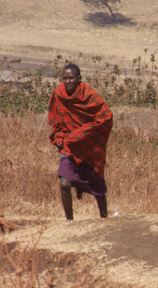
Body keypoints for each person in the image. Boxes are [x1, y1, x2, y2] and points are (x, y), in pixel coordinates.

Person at [48, 63, 113, 220]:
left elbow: (106, 116)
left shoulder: (88, 95)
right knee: (64, 184)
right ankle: (69, 223)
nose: (68, 81)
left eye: (71, 78)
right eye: (65, 78)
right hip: (68, 147)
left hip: (89, 148)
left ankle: (104, 220)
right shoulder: (59, 93)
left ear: (79, 79)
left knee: (98, 189)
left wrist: (79, 134)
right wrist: (58, 137)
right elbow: (57, 120)